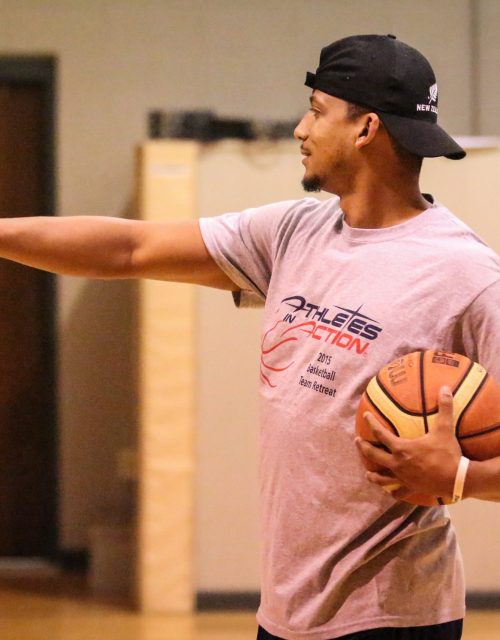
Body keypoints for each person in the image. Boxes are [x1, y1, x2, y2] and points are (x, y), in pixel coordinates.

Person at [0, 33, 499, 640]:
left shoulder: (466, 274)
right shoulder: (293, 232)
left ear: (366, 128)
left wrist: (462, 478)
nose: (300, 130)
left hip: (393, 616)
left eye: (316, 111)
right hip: (287, 612)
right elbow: (130, 247)